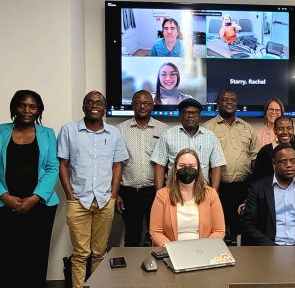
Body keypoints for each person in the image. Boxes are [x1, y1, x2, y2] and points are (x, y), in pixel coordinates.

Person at [0, 90, 59, 288]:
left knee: (35, 256)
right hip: (2, 207)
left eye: (32, 106)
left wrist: (34, 198)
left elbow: (53, 168)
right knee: (3, 255)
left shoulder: (47, 134)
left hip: (40, 207)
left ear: (39, 110)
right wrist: (4, 197)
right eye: (22, 105)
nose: (27, 110)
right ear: (14, 108)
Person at [58, 91, 129, 288]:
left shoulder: (114, 133)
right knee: (80, 254)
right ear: (83, 107)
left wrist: (113, 195)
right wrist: (70, 196)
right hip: (78, 200)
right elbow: (63, 164)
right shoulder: (69, 130)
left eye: (99, 102)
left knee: (99, 252)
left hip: (105, 200)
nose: (94, 105)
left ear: (105, 107)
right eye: (90, 102)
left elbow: (117, 165)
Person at [203, 89, 259, 243]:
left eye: (232, 99)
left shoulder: (247, 128)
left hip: (244, 187)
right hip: (219, 187)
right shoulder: (207, 128)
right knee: (219, 230)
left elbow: (255, 158)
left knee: (241, 229)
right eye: (225, 99)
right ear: (217, 104)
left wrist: (254, 187)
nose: (229, 102)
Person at [242, 143, 295, 246]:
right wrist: (271, 248)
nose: (289, 165)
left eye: (293, 161)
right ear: (274, 164)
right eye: (283, 161)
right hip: (268, 248)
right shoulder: (258, 188)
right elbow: (249, 225)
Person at [117, 90, 167, 247]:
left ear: (152, 106)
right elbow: (115, 163)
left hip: (155, 192)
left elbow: (168, 162)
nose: (142, 106)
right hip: (129, 193)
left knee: (157, 235)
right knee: (132, 236)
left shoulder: (163, 129)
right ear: (132, 105)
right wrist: (116, 193)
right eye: (138, 103)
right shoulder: (120, 129)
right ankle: (132, 271)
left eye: (146, 103)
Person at [150, 148, 226, 247]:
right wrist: (172, 248)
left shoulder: (211, 194)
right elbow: (156, 232)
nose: (186, 169)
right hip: (172, 251)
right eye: (182, 166)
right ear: (175, 168)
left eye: (191, 166)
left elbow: (219, 231)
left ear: (198, 168)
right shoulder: (162, 195)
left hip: (203, 250)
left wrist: (204, 247)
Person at [151, 98, 226, 193]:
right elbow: (159, 165)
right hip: (173, 192)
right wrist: (160, 193)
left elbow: (217, 166)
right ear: (180, 115)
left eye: (194, 113)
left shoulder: (211, 137)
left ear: (199, 115)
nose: (190, 116)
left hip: (202, 192)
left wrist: (213, 194)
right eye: (186, 112)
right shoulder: (167, 135)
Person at [253, 116, 295, 182]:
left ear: (293, 130)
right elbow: (258, 177)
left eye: (289, 128)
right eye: (280, 129)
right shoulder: (266, 151)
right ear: (275, 131)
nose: (285, 132)